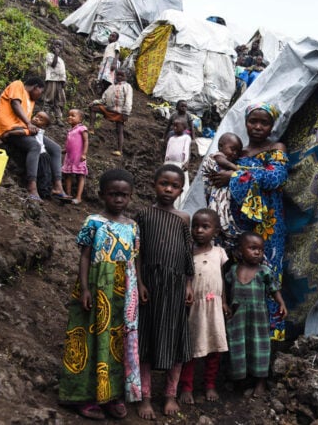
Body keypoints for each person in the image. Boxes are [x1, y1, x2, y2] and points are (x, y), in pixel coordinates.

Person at [58, 168, 141, 420]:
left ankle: (111, 395)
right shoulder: (93, 221)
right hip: (96, 285)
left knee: (117, 342)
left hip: (124, 291)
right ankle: (83, 396)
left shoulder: (134, 226)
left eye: (124, 195)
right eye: (113, 194)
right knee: (91, 339)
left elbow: (135, 260)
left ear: (130, 197)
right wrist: (84, 288)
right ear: (102, 195)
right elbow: (84, 257)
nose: (118, 199)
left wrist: (140, 287)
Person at [207, 102, 289, 340]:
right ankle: (233, 340)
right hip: (235, 230)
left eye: (264, 122)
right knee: (237, 280)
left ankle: (268, 340)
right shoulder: (236, 152)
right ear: (245, 122)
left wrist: (234, 174)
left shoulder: (276, 148)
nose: (258, 127)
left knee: (266, 279)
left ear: (272, 125)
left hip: (267, 229)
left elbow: (275, 178)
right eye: (253, 121)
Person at [135, 164, 194, 419]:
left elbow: (187, 253)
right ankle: (145, 396)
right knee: (146, 340)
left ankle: (170, 394)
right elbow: (137, 253)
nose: (168, 189)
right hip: (150, 283)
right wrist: (139, 282)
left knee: (175, 339)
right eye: (164, 184)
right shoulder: (143, 215)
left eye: (174, 186)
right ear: (154, 184)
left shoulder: (183, 218)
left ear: (181, 190)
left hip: (176, 287)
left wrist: (189, 284)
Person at [224, 231, 287, 396]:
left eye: (260, 249)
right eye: (252, 248)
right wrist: (225, 304)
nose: (258, 252)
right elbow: (224, 288)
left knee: (259, 347)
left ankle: (260, 382)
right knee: (237, 346)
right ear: (239, 251)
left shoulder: (264, 271)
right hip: (237, 316)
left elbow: (274, 289)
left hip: (258, 317)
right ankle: (239, 379)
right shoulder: (233, 270)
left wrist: (281, 303)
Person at [177, 209, 230, 405]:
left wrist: (224, 301)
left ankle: (209, 384)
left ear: (215, 231)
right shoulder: (187, 252)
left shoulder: (219, 253)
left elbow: (222, 280)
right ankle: (187, 386)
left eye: (205, 227)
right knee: (191, 349)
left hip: (214, 307)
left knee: (215, 348)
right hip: (195, 308)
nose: (199, 230)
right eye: (195, 226)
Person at [0, 76, 72, 201]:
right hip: (11, 129)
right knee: (34, 146)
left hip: (24, 130)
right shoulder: (18, 85)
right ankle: (32, 187)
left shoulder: (31, 101)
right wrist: (29, 124)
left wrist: (31, 126)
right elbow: (15, 104)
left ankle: (58, 187)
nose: (40, 95)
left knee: (55, 148)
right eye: (40, 92)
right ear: (35, 87)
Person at [201, 132, 243, 256]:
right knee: (217, 217)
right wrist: (236, 169)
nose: (235, 153)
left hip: (220, 199)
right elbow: (220, 160)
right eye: (232, 149)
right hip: (215, 197)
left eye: (238, 152)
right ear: (220, 146)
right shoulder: (215, 157)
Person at [89, 68, 132, 156]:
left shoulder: (127, 87)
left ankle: (119, 150)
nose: (119, 77)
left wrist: (126, 113)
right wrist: (94, 102)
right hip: (109, 109)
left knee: (119, 130)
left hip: (120, 112)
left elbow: (128, 101)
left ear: (126, 77)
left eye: (122, 75)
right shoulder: (111, 87)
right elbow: (104, 99)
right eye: (118, 75)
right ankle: (91, 129)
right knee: (93, 108)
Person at [61, 109, 88, 205]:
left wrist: (84, 154)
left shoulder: (82, 128)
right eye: (69, 115)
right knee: (68, 175)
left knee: (80, 176)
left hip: (78, 157)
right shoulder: (70, 130)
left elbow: (85, 141)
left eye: (73, 115)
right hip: (69, 157)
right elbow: (69, 143)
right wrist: (64, 150)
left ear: (80, 119)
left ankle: (79, 197)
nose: (70, 117)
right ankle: (68, 195)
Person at [163, 118, 191, 209]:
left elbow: (186, 150)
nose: (174, 128)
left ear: (184, 127)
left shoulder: (186, 138)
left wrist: (186, 162)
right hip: (169, 163)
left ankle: (179, 205)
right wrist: (165, 163)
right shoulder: (171, 138)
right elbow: (167, 152)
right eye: (173, 125)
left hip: (180, 164)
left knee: (179, 182)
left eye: (177, 126)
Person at [43, 41, 66, 122]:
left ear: (62, 48)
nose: (57, 47)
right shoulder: (49, 55)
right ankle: (46, 115)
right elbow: (53, 64)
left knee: (59, 100)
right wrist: (56, 54)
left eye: (60, 45)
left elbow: (63, 72)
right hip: (52, 79)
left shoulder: (61, 60)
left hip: (59, 81)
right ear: (52, 46)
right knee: (50, 97)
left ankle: (58, 118)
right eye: (55, 44)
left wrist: (63, 81)